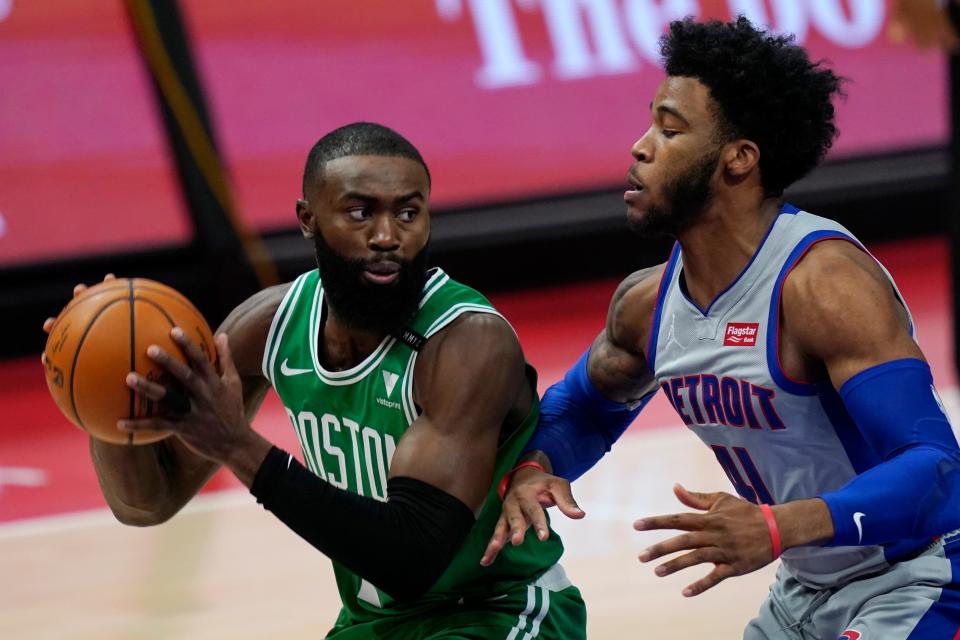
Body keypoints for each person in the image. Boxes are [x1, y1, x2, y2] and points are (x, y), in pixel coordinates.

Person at [484, 17, 960, 639]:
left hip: (922, 576)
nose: (640, 146)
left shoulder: (823, 286)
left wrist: (776, 526)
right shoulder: (647, 303)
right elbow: (582, 409)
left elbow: (937, 468)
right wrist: (535, 465)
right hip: (804, 588)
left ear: (738, 159)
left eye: (669, 128)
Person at [47, 123, 586, 639]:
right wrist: (106, 388)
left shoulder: (468, 343)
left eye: (408, 213)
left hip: (500, 611)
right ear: (308, 219)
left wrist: (238, 446)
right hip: (375, 625)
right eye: (359, 212)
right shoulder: (268, 326)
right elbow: (147, 502)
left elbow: (414, 556)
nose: (386, 236)